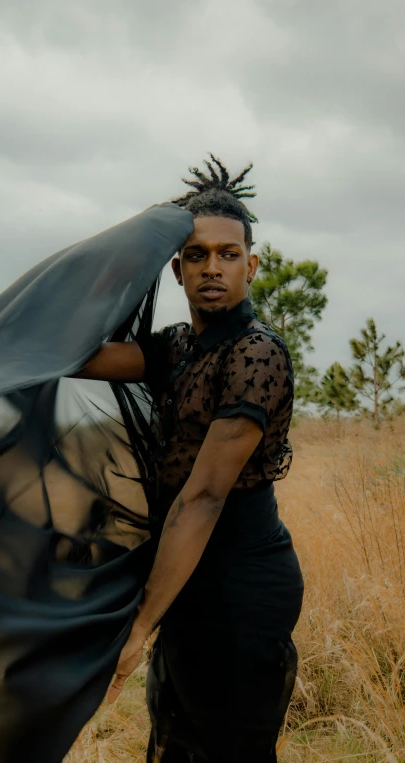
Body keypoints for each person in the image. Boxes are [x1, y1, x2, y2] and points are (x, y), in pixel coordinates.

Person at [76, 155, 304, 762]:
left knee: (227, 751)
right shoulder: (177, 347)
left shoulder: (257, 356)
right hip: (183, 579)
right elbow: (80, 356)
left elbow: (203, 498)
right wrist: (125, 263)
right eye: (196, 255)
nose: (213, 267)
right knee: (177, 744)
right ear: (176, 270)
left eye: (228, 254)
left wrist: (141, 626)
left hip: (243, 588)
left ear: (251, 266)